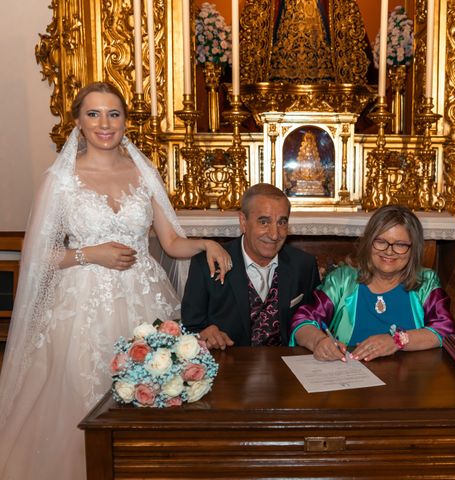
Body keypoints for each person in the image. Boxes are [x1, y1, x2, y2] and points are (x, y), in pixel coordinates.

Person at [0, 82, 232, 480]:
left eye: (113, 114)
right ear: (77, 122)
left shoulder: (143, 172)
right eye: (93, 114)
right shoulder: (60, 180)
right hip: (80, 307)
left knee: (152, 387)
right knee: (80, 392)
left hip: (144, 299)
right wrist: (92, 253)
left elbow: (171, 241)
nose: (104, 124)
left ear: (125, 121)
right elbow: (39, 255)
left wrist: (206, 243)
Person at [290, 205, 455, 361]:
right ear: (369, 242)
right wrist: (319, 341)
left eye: (400, 245)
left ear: (413, 249)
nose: (389, 251)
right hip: (349, 378)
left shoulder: (425, 282)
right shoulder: (343, 279)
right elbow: (303, 320)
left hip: (409, 381)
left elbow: (445, 330)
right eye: (381, 242)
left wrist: (397, 341)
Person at [182, 183, 321, 348]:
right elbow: (190, 328)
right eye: (264, 222)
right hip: (230, 368)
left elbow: (314, 320)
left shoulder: (304, 265)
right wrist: (204, 334)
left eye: (282, 222)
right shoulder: (206, 265)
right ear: (243, 221)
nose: (275, 234)